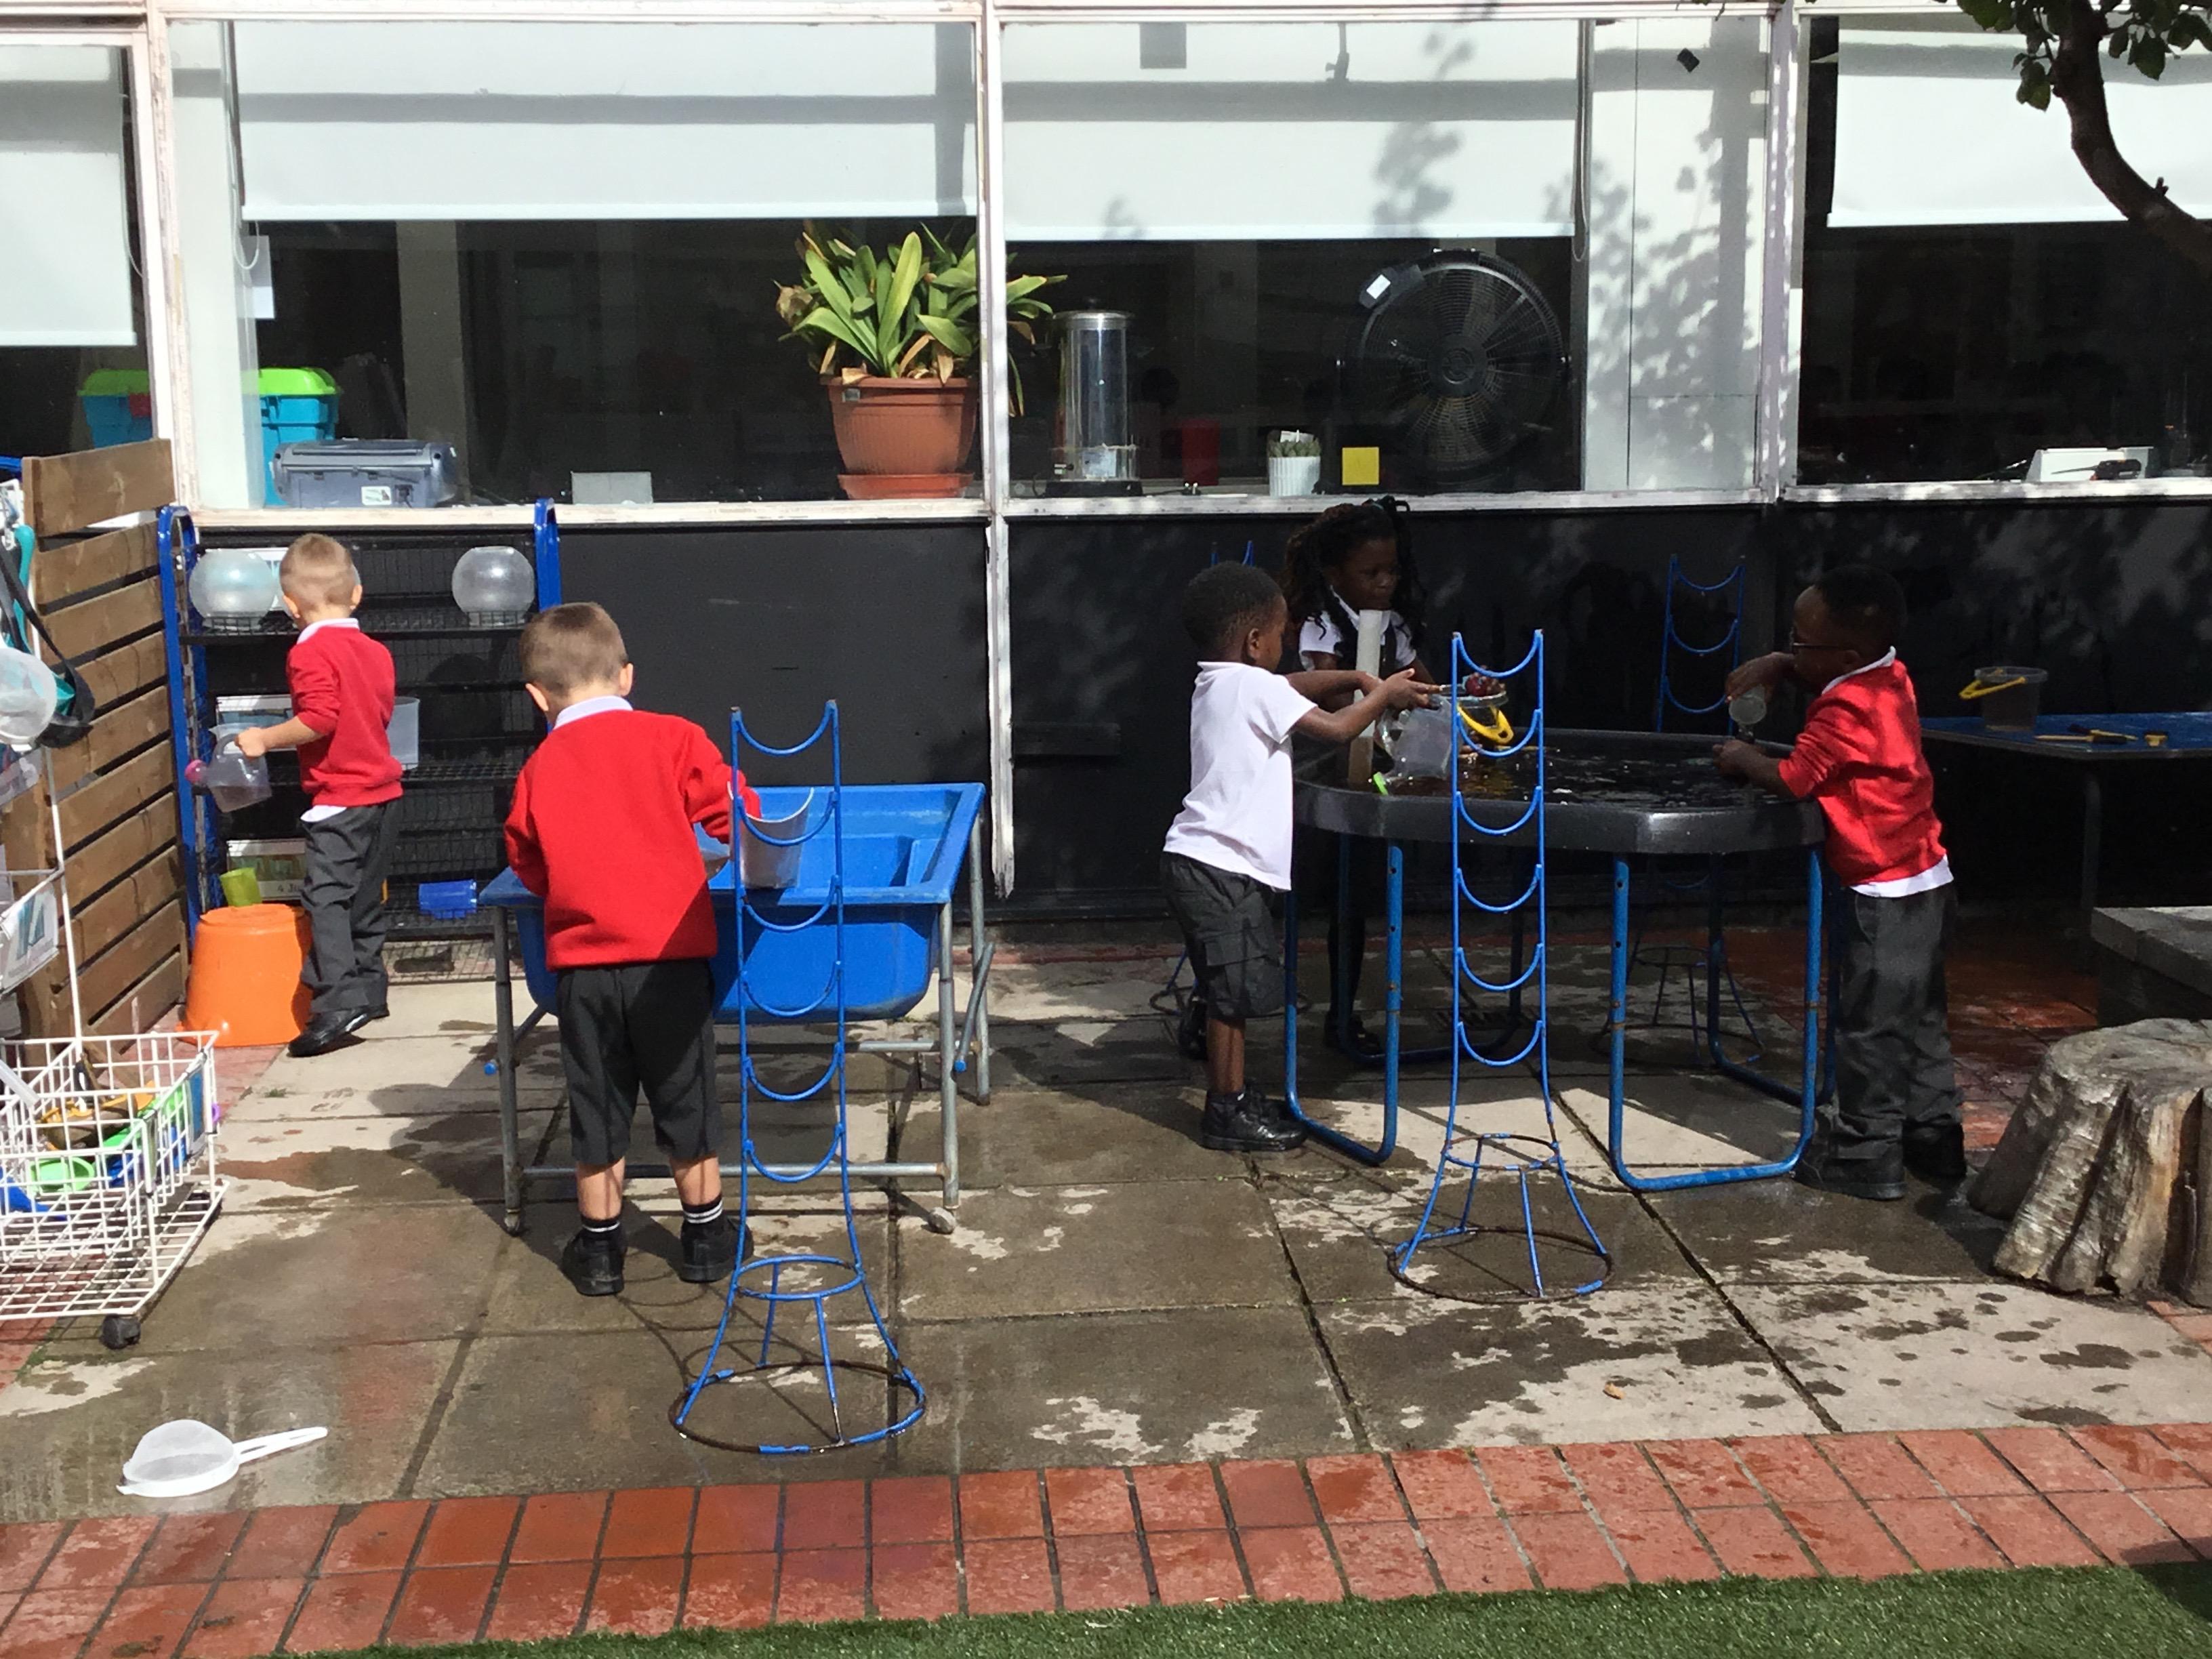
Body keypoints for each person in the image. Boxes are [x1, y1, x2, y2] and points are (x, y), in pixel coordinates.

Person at [503, 602, 761, 1296]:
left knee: (596, 1106)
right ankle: (704, 1239)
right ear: (626, 676)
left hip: (584, 972)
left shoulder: (539, 768)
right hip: (669, 960)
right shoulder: (673, 738)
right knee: (686, 1099)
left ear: (537, 697)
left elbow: (526, 860)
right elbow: (739, 814)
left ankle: (599, 1252)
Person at [1162, 563, 1435, 1153]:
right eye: (1281, 633)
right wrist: (1381, 694)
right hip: (1221, 865)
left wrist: (1355, 675)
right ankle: (1226, 1110)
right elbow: (1336, 730)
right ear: (1253, 642)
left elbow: (1289, 685)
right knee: (1233, 996)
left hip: (1201, 862)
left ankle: (1229, 1085)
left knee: (1226, 982)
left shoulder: (1221, 683)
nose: (1286, 644)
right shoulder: (1252, 688)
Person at [1715, 563, 1963, 1201]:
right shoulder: (1889, 678)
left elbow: (1796, 778)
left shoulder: (1844, 708)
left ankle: (1865, 1154)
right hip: (1927, 880)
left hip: (1880, 891)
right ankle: (1934, 1137)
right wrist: (1781, 663)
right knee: (1920, 1016)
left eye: (1800, 642)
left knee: (1869, 1028)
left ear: (1844, 656)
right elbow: (1826, 675)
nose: (1792, 649)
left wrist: (1745, 757)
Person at [1273, 498, 1434, 1062]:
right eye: (1371, 573)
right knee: (1280, 899)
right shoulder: (1322, 626)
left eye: (1392, 571)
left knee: (1354, 900)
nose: (1385, 583)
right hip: (1317, 773)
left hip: (1369, 773)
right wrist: (1385, 699)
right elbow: (1334, 702)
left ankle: (1343, 1013)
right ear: (1336, 573)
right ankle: (1219, 1001)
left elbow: (1424, 685)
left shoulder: (1395, 625)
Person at [234, 535, 403, 1059]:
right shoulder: (376, 651)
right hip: (385, 793)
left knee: (326, 899)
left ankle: (338, 1001)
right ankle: (370, 989)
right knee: (364, 897)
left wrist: (263, 738)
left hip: (340, 798)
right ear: (357, 594)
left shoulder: (309, 652)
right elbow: (378, 712)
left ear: (290, 605)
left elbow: (320, 718)